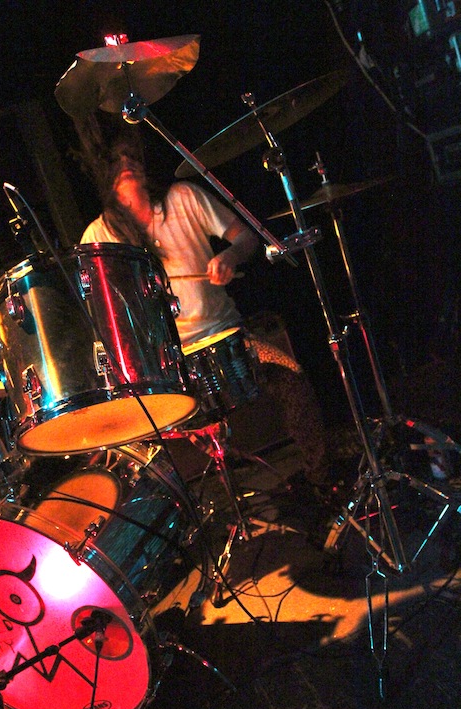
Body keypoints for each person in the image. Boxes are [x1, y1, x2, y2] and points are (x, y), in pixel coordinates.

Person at [75, 119, 337, 515]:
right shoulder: (97, 238)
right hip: (166, 367)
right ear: (102, 172)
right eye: (116, 159)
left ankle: (321, 484)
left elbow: (246, 238)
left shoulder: (184, 197)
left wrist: (229, 256)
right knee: (134, 442)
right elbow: (101, 311)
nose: (127, 163)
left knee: (292, 378)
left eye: (132, 155)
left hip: (228, 337)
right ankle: (183, 522)